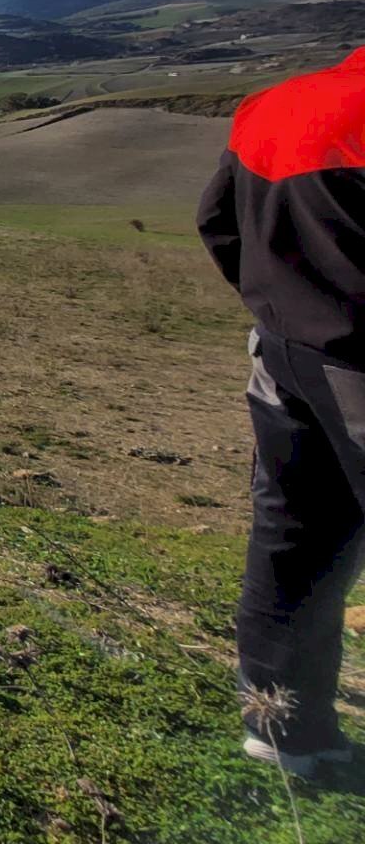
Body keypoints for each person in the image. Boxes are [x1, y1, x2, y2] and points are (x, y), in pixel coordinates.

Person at [198, 45, 365, 777]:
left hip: (285, 354)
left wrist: (280, 307)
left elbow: (217, 222)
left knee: (292, 535)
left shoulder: (275, 105)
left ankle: (282, 727)